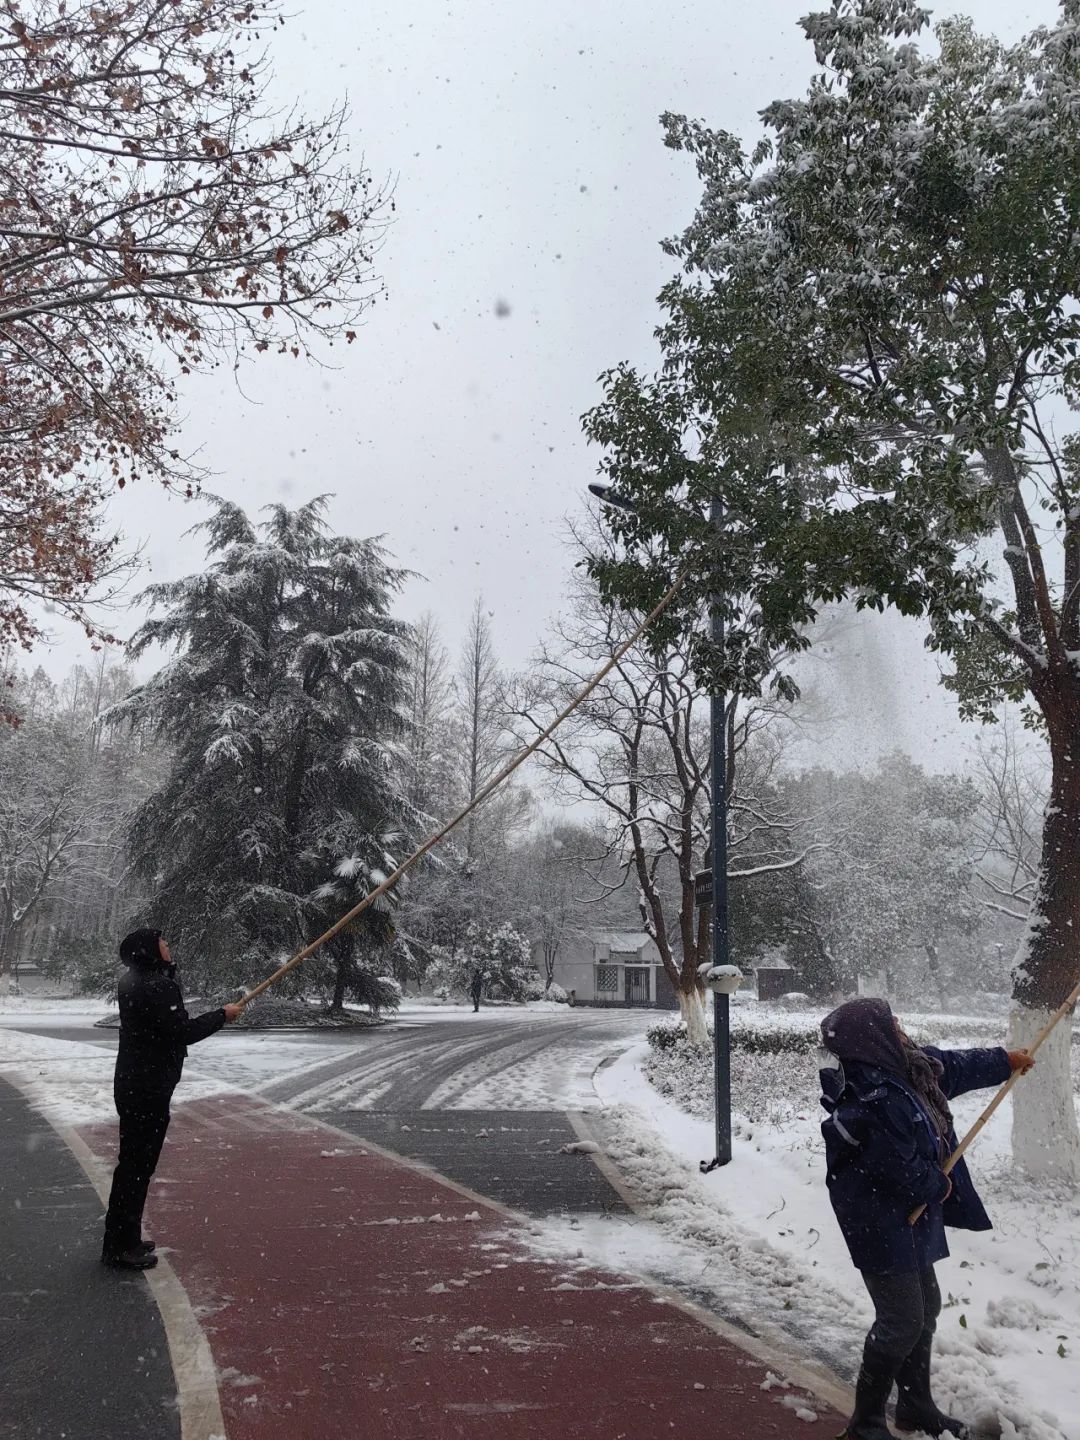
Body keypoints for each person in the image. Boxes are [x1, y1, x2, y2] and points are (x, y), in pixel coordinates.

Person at [819, 997, 1034, 1440]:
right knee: (900, 1321)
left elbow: (952, 1067)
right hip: (878, 1220)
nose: (899, 1025)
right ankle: (865, 1424)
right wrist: (938, 1185)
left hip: (911, 1218)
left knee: (926, 1308)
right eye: (890, 1022)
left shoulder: (910, 1070)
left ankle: (915, 1406)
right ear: (872, 1037)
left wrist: (1004, 1060)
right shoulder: (870, 1098)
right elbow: (895, 1165)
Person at [101, 928, 243, 1270]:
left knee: (132, 1165)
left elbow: (163, 1029)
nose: (167, 945)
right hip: (148, 1089)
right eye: (162, 942)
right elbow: (182, 1031)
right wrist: (222, 1015)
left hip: (133, 1084)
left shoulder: (132, 981)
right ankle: (120, 1247)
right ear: (149, 950)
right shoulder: (158, 986)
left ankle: (123, 1238)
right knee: (137, 1167)